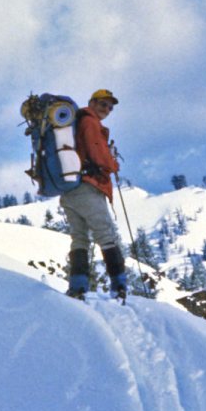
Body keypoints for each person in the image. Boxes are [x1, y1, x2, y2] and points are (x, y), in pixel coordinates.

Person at [60, 89, 127, 300]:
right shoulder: (90, 122)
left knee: (79, 238)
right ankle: (120, 286)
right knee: (106, 235)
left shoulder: (77, 123)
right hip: (88, 188)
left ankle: (78, 287)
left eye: (110, 107)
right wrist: (113, 164)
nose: (106, 109)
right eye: (102, 104)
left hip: (69, 189)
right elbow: (98, 155)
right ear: (92, 102)